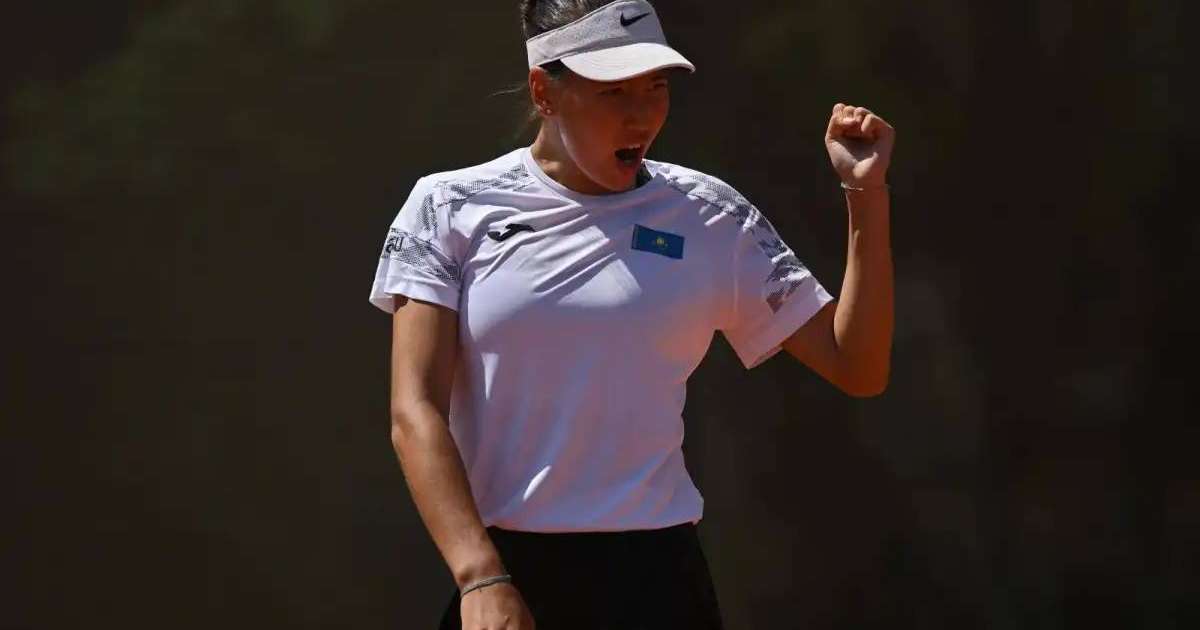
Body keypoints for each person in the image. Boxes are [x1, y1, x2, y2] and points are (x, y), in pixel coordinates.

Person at [367, 0, 895, 627]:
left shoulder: (711, 215)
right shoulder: (447, 206)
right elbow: (414, 410)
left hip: (659, 578)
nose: (641, 115)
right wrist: (480, 575)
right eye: (614, 92)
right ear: (545, 91)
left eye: (656, 89)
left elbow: (856, 367)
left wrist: (866, 195)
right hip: (504, 572)